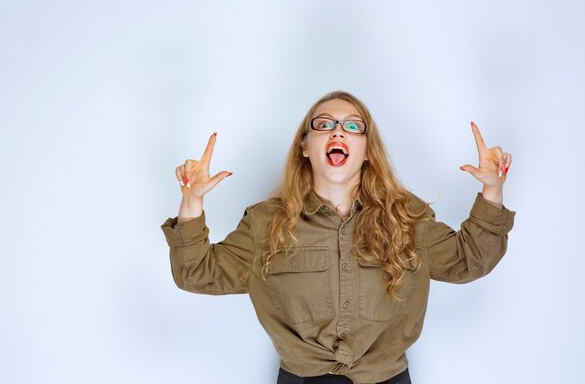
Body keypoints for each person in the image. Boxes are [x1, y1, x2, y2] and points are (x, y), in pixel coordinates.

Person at [160, 91, 515, 384]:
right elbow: (197, 274)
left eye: (352, 126)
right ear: (304, 146)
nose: (338, 132)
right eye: (324, 124)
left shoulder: (408, 218)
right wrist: (192, 201)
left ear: (366, 149)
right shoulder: (265, 223)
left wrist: (492, 192)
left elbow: (470, 260)